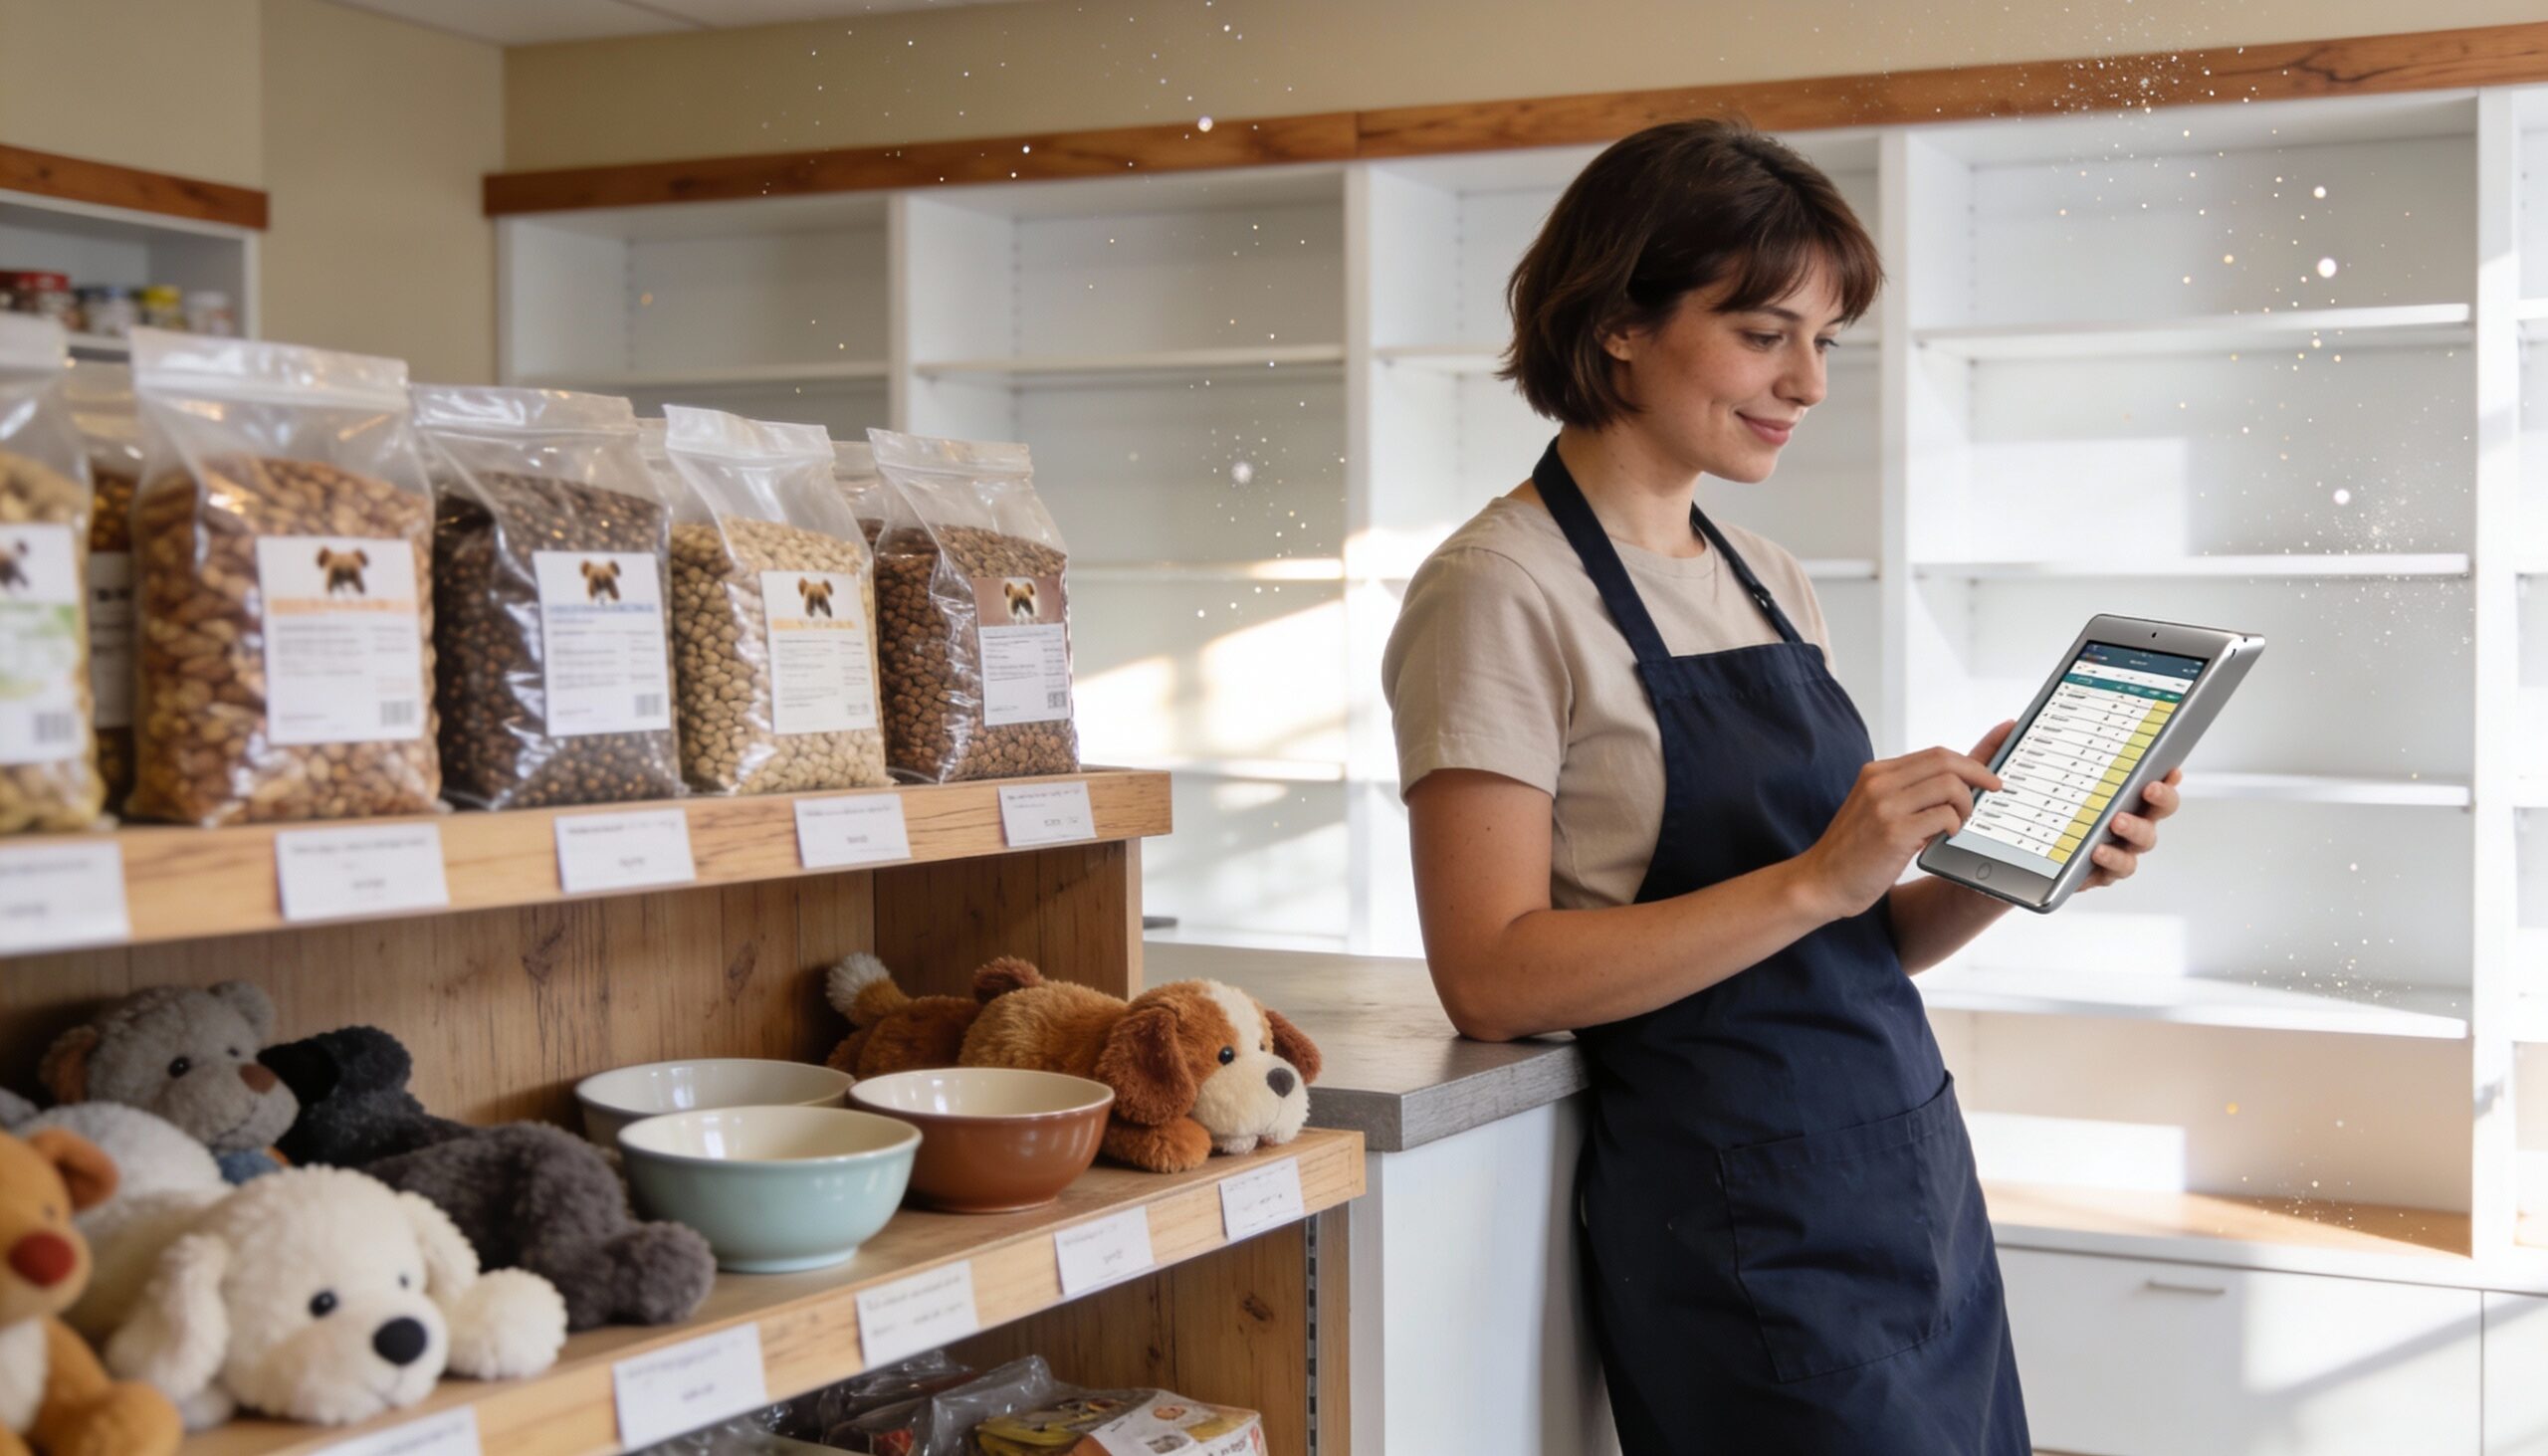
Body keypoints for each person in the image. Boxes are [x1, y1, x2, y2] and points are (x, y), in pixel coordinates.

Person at [1380, 117, 2182, 1454]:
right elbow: (1493, 975)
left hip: (1904, 1176)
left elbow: (1842, 945)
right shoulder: (1497, 591)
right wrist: (1821, 872)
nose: (1806, 383)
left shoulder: (1763, 571)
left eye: (1825, 341)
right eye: (1763, 333)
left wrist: (2010, 859)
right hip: (1737, 1223)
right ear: (1620, 323)